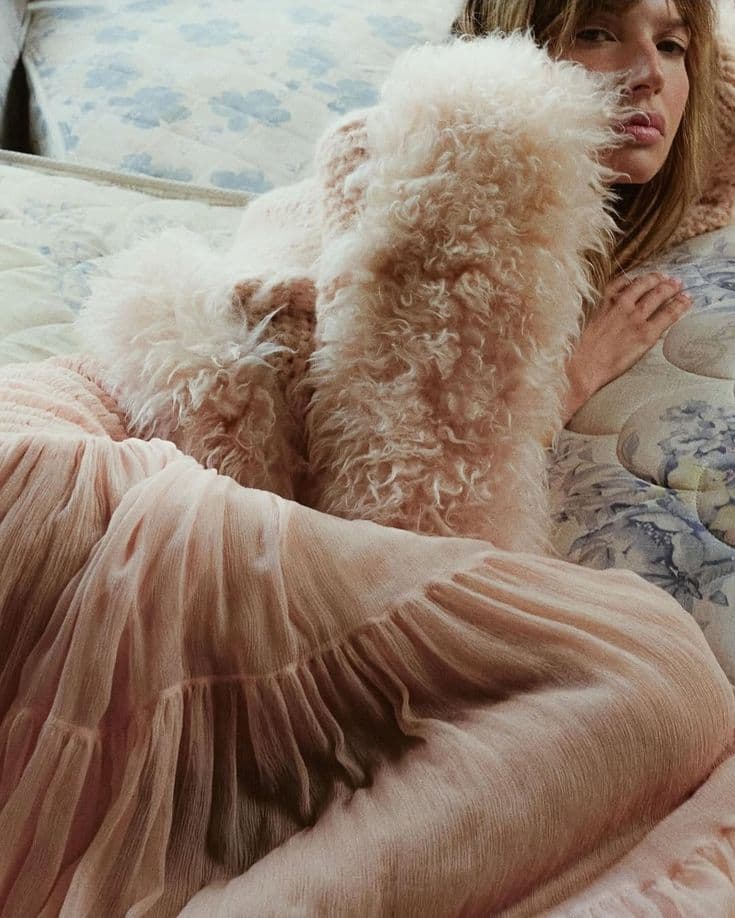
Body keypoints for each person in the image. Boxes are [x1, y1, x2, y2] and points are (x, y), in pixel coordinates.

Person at [452, 0, 719, 423]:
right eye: (595, 35)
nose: (651, 74)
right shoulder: (425, 220)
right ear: (509, 50)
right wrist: (574, 375)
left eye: (670, 45)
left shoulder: (703, 202)